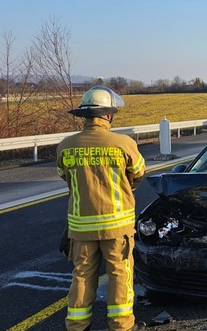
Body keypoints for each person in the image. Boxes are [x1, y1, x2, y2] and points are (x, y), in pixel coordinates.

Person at [57, 86, 146, 331]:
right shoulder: (123, 144)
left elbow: (65, 176)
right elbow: (137, 174)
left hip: (81, 227)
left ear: (84, 116)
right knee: (119, 274)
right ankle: (121, 325)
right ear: (108, 115)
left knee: (82, 274)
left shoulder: (66, 146)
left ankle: (77, 325)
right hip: (116, 228)